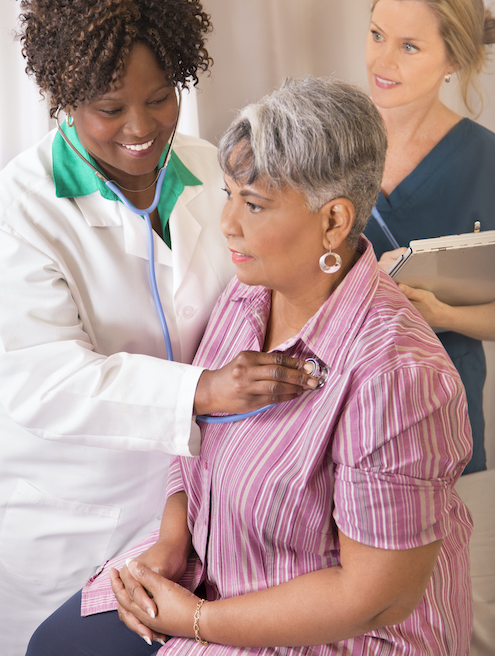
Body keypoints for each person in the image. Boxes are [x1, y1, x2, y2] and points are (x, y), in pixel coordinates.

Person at [28, 77, 473, 656]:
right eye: (229, 194)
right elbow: (195, 440)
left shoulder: (397, 377)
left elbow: (371, 598)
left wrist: (198, 622)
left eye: (254, 204)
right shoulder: (249, 298)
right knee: (51, 645)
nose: (228, 224)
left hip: (341, 634)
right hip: (217, 579)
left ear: (334, 222)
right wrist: (172, 539)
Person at [0, 0, 315, 655]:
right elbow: (40, 377)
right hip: (78, 515)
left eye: (161, 96)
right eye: (110, 108)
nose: (141, 127)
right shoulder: (18, 208)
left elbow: (264, 293)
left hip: (204, 510)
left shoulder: (212, 169)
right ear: (63, 95)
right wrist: (202, 390)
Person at [363, 0, 495, 474]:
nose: (381, 61)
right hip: (338, 402)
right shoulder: (325, 143)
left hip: (445, 409)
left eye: (409, 46)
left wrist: (443, 317)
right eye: (376, 35)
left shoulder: (486, 161)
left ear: (454, 59)